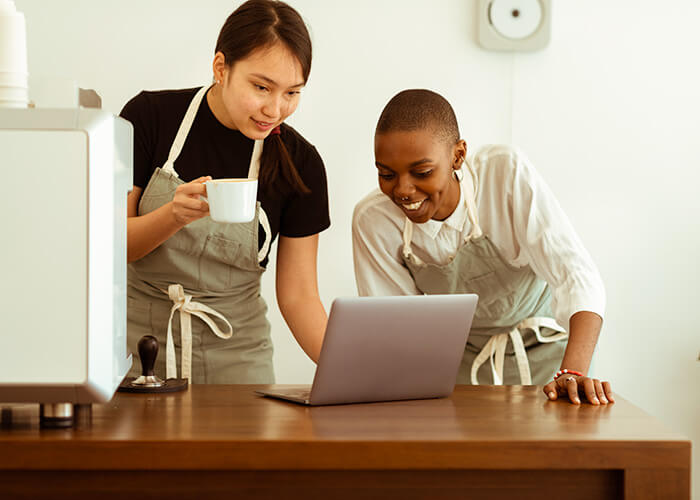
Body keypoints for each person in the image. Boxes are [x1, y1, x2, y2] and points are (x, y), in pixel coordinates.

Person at [352, 89, 613, 405]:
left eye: (422, 172)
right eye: (386, 174)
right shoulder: (374, 220)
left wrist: (572, 372)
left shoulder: (504, 175)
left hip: (551, 360)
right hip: (458, 367)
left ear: (458, 155)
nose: (403, 190)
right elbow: (396, 329)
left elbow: (575, 275)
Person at [120, 0, 329, 384]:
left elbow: (299, 297)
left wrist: (355, 372)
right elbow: (112, 247)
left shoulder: (302, 164)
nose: (275, 109)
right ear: (221, 68)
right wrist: (172, 216)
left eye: (292, 93)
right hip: (138, 351)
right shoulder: (148, 118)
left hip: (239, 358)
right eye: (262, 87)